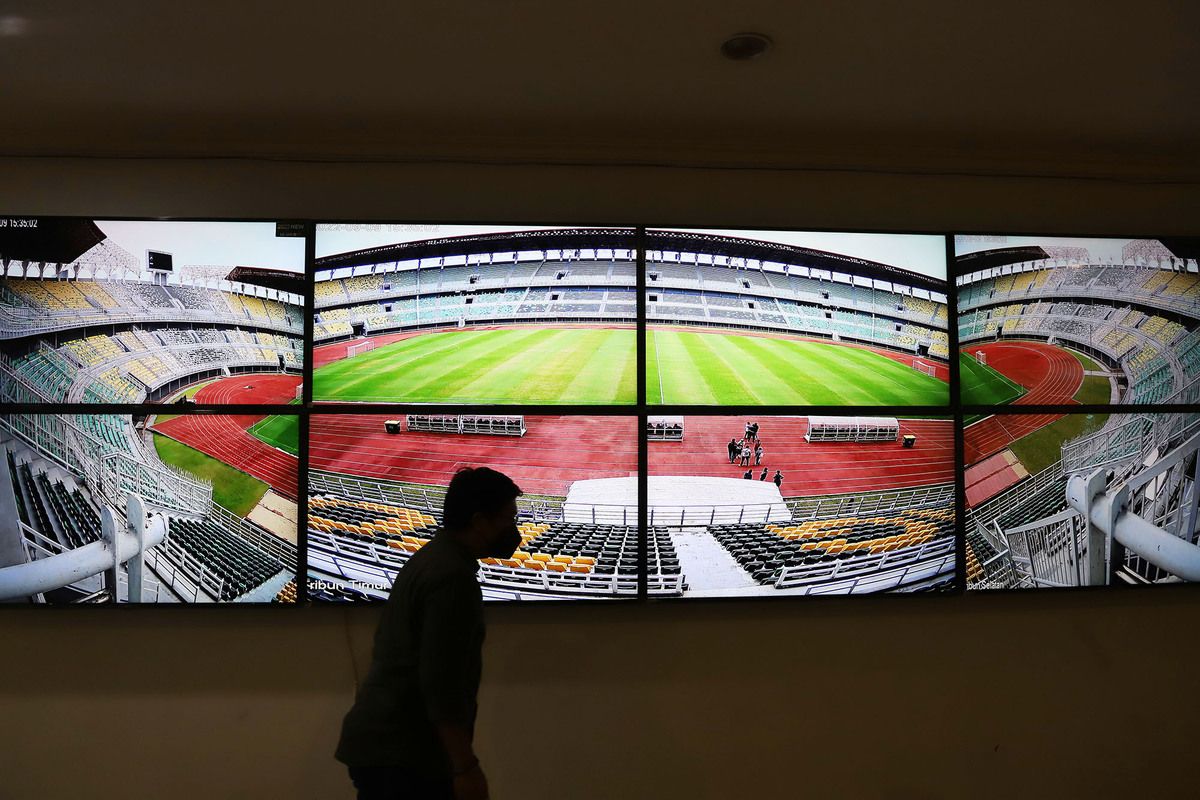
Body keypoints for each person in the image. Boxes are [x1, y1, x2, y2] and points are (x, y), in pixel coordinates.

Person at [336, 466, 523, 800]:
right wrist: (465, 767)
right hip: (403, 755)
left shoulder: (431, 559)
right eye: (508, 520)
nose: (514, 530)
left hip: (386, 747)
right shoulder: (452, 578)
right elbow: (440, 682)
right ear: (479, 521)